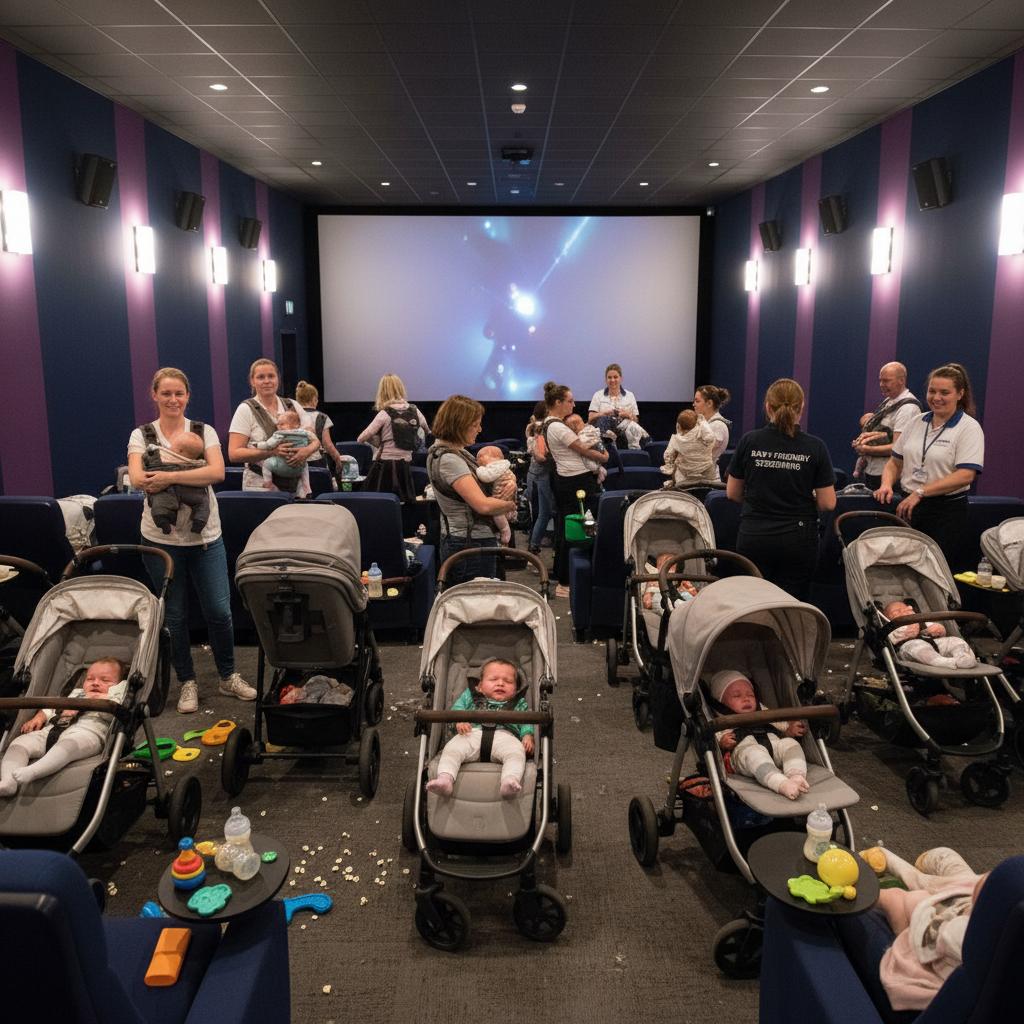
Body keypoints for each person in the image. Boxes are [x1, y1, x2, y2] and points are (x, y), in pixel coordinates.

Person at [131, 367, 255, 714]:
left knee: (219, 610)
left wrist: (168, 477)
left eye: (179, 393)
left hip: (206, 538)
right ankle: (187, 680)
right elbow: (139, 477)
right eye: (166, 393)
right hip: (161, 540)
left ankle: (228, 675)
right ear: (154, 395)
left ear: (187, 396)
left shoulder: (204, 431)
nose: (173, 400)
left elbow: (216, 472)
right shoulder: (142, 435)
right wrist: (186, 474)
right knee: (175, 616)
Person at [726, 378, 836, 601]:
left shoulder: (749, 441)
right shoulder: (815, 446)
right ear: (801, 407)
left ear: (768, 407)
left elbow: (732, 493)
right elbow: (828, 503)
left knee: (753, 604)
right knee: (792, 606)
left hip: (755, 535)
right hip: (798, 538)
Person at [874, 363, 983, 572]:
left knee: (933, 573)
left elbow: (965, 475)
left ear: (960, 394)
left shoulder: (969, 428)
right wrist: (886, 484)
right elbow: (894, 462)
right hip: (908, 507)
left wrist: (921, 492)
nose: (936, 397)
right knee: (901, 572)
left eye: (944, 392)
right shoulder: (916, 422)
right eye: (932, 391)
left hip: (945, 512)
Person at [855, 845, 988, 1013]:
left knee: (907, 894)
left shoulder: (957, 936)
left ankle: (894, 862)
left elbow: (902, 904)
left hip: (956, 911)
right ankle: (911, 863)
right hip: (972, 899)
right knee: (944, 858)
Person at [0, 658, 127, 796]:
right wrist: (40, 717)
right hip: (51, 731)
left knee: (68, 746)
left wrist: (99, 699)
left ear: (119, 685)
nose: (95, 683)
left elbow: (112, 716)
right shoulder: (76, 693)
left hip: (87, 734)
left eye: (105, 680)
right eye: (90, 679)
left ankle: (34, 771)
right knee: (19, 743)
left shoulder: (116, 697)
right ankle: (8, 781)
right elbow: (53, 707)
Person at [426, 395, 517, 586]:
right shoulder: (450, 459)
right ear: (459, 425)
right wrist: (510, 503)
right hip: (469, 544)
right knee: (478, 600)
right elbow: (483, 506)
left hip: (468, 541)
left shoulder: (451, 452)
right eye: (475, 424)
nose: (480, 429)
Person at [425, 657, 535, 800]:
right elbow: (457, 708)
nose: (500, 683)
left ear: (515, 690)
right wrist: (461, 719)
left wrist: (527, 735)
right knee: (452, 749)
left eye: (508, 681)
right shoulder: (470, 696)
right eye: (493, 679)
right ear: (479, 686)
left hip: (505, 737)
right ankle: (445, 779)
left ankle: (509, 781)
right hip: (471, 734)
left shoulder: (519, 703)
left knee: (516, 752)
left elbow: (526, 721)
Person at [544, 382, 609, 599]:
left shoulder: (554, 425)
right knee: (575, 529)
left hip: (574, 481)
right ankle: (565, 581)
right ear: (558, 402)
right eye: (570, 401)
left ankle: (573, 576)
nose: (573, 405)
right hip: (575, 483)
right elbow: (584, 450)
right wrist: (603, 456)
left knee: (579, 528)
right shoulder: (556, 427)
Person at [710, 670, 809, 801]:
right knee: (754, 754)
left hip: (773, 748)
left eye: (750, 695)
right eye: (737, 696)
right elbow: (714, 739)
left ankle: (796, 775)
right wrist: (722, 743)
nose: (746, 699)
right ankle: (780, 783)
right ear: (721, 702)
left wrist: (789, 729)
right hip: (744, 756)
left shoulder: (761, 710)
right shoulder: (721, 720)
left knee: (791, 743)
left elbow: (779, 722)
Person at [228, 358, 320, 498]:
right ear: (252, 381)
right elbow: (234, 454)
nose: (267, 381)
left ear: (278, 379)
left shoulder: (293, 406)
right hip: (261, 488)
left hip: (296, 487)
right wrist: (272, 452)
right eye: (261, 377)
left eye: (271, 376)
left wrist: (306, 451)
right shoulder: (245, 409)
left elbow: (315, 440)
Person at [358, 373, 429, 503]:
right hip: (406, 466)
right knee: (405, 504)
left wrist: (378, 442)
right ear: (400, 389)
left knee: (382, 504)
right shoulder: (415, 411)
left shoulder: (384, 414)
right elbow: (427, 431)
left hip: (385, 467)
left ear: (382, 392)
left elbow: (361, 438)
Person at [851, 362, 920, 489]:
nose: (882, 385)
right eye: (880, 380)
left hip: (890, 477)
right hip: (873, 471)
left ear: (901, 380)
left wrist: (865, 449)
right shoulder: (889, 401)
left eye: (886, 381)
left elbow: (898, 447)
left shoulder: (908, 408)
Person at [143, 431, 210, 534]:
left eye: (172, 445)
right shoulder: (198, 463)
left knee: (159, 501)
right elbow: (208, 474)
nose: (169, 447)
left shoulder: (162, 454)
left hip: (166, 490)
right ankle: (199, 521)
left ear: (180, 450)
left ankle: (163, 521)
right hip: (190, 489)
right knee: (203, 502)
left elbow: (146, 461)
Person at [882, 600, 977, 670]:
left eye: (904, 609)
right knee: (917, 647)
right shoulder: (891, 629)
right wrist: (905, 633)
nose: (902, 612)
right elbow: (890, 639)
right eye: (895, 612)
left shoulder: (922, 622)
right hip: (908, 648)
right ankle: (947, 662)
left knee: (954, 640)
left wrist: (938, 629)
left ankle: (963, 657)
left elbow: (938, 629)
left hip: (933, 644)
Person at [588, 363, 647, 448]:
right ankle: (608, 444)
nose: (612, 380)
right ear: (605, 380)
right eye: (609, 377)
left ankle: (645, 446)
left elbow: (636, 420)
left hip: (624, 431)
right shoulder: (598, 395)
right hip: (603, 429)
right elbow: (590, 418)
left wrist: (628, 415)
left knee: (634, 428)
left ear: (621, 378)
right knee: (604, 420)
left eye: (615, 377)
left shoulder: (630, 395)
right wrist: (604, 413)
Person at [253, 409, 313, 493]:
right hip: (298, 468)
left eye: (282, 424)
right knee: (306, 465)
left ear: (296, 425)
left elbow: (268, 445)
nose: (278, 426)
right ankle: (307, 486)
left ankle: (268, 482)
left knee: (266, 463)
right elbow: (313, 442)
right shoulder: (305, 433)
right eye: (278, 424)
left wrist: (257, 445)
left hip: (283, 466)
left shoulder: (280, 434)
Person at [525, 400, 556, 563]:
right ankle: (533, 549)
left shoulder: (532, 427)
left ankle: (533, 548)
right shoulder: (541, 429)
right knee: (544, 514)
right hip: (542, 475)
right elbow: (541, 456)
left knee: (539, 514)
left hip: (534, 475)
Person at [295, 380, 345, 480]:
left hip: (295, 462)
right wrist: (338, 460)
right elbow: (328, 445)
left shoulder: (291, 416)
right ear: (314, 399)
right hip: (316, 462)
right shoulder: (322, 417)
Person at [661, 409, 717, 489]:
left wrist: (671, 467)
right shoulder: (706, 435)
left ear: (679, 425)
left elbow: (668, 456)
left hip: (685, 478)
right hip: (707, 476)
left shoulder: (677, 440)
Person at [475, 445, 516, 544]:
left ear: (491, 457)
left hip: (500, 495)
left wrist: (479, 469)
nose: (478, 461)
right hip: (508, 495)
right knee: (507, 509)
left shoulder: (495, 467)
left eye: (480, 457)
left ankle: (504, 530)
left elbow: (486, 477)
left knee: (497, 513)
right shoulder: (504, 465)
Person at [692, 385, 732, 481]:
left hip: (706, 481)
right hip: (697, 477)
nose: (693, 404)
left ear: (709, 403)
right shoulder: (702, 423)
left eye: (697, 401)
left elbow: (698, 452)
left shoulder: (718, 426)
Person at [565, 413, 607, 483]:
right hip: (599, 447)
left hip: (594, 448)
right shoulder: (590, 428)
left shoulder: (582, 434)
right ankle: (600, 469)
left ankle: (598, 470)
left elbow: (583, 446)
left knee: (588, 462)